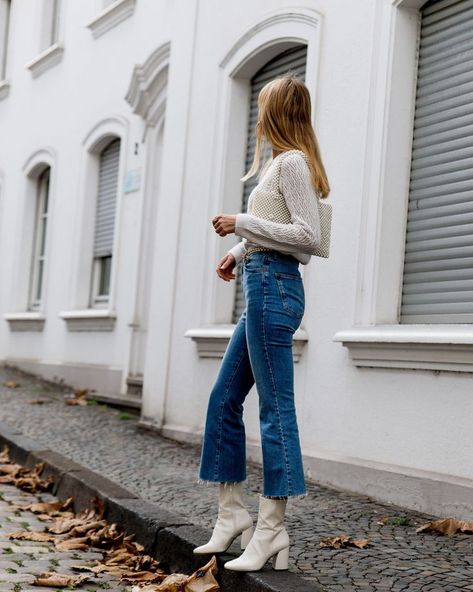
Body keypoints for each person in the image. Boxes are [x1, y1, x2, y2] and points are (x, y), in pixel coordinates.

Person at [193, 74, 330, 572]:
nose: (258, 115)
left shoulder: (292, 162)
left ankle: (272, 527)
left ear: (277, 112)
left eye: (264, 105)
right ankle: (232, 514)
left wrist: (241, 223)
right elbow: (282, 233)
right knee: (223, 399)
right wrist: (237, 250)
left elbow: (309, 238)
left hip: (275, 290)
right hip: (261, 284)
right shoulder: (279, 163)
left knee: (275, 409)